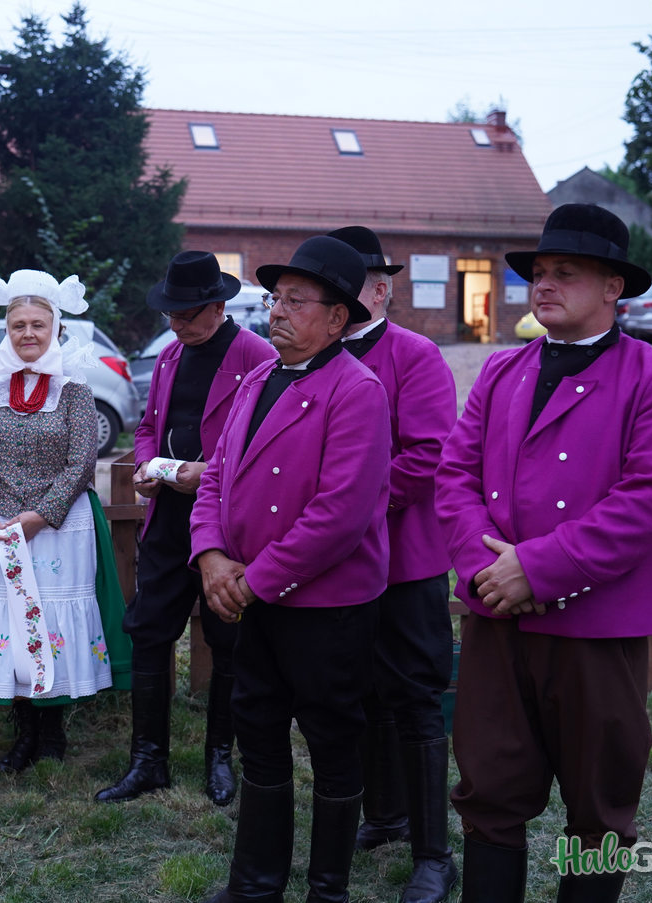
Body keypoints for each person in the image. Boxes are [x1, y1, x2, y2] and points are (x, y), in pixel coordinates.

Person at [433, 204, 652, 902]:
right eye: (540, 273)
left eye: (566, 273)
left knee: (599, 807)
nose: (544, 285)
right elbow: (454, 476)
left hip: (597, 627)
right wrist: (488, 572)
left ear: (613, 287)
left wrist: (538, 569)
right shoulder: (501, 371)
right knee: (488, 794)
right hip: (497, 617)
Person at [191, 236, 391, 903]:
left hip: (326, 608)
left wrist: (249, 580)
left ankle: (327, 890)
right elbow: (216, 476)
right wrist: (211, 555)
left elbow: (339, 515)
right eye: (276, 298)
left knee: (332, 742)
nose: (276, 311)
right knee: (258, 730)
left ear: (336, 318)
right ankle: (255, 884)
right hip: (252, 598)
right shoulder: (257, 379)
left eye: (295, 301)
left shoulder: (357, 390)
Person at [95, 252, 276, 806]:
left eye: (186, 314)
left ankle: (220, 756)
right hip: (168, 520)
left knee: (228, 637)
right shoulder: (171, 355)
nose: (174, 324)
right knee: (149, 630)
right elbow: (148, 426)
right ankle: (147, 761)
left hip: (226, 522)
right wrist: (145, 468)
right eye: (169, 313)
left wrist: (209, 472)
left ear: (218, 307)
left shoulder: (258, 356)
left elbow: (266, 440)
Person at [0, 270, 130, 774]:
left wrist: (41, 516)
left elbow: (81, 462)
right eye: (18, 325)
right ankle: (23, 730)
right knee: (12, 626)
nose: (27, 334)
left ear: (55, 328)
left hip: (57, 530)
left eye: (37, 325)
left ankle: (52, 730)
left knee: (48, 622)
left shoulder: (74, 388)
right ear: (7, 330)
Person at [330, 225, 459, 903]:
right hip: (337, 566)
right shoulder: (318, 358)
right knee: (360, 693)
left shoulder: (415, 354)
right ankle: (384, 816)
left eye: (348, 284)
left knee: (414, 700)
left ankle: (434, 854)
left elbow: (428, 454)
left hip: (405, 561)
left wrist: (350, 510)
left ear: (380, 291)